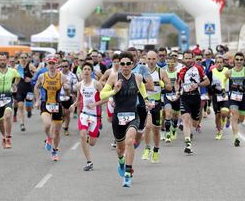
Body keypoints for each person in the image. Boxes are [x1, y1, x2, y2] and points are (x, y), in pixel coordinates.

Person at [100, 51, 150, 188]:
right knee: (120, 149)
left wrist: (146, 101)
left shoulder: (138, 77)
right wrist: (114, 91)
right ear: (119, 64)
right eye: (122, 63)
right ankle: (121, 161)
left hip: (133, 116)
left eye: (128, 64)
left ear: (133, 64)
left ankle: (128, 173)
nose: (125, 66)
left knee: (129, 142)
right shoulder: (113, 77)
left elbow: (143, 90)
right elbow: (102, 94)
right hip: (118, 117)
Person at [70, 62, 106, 171]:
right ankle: (89, 162)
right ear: (82, 71)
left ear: (91, 72)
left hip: (95, 115)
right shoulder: (80, 85)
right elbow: (78, 100)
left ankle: (94, 134)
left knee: (92, 143)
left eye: (88, 69)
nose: (86, 71)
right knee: (82, 135)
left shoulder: (96, 84)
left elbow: (105, 99)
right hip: (84, 114)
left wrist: (94, 104)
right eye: (84, 69)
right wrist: (73, 105)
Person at [34, 55, 69, 161]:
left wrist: (67, 89)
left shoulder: (61, 77)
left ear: (56, 64)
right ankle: (49, 138)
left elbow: (67, 90)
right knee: (47, 125)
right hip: (45, 104)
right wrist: (37, 100)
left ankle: (55, 151)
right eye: (50, 63)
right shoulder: (42, 76)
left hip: (57, 105)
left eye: (54, 63)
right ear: (47, 64)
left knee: (57, 132)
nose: (52, 65)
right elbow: (36, 87)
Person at [177, 51, 210, 154]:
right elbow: (178, 83)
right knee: (186, 120)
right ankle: (188, 144)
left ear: (193, 58)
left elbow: (207, 82)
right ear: (183, 59)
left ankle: (193, 128)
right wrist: (177, 91)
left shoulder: (198, 68)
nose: (188, 60)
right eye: (185, 58)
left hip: (196, 97)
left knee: (195, 123)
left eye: (189, 58)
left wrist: (198, 85)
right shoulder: (180, 70)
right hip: (185, 97)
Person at [142, 51, 171, 163]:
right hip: (145, 102)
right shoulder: (141, 71)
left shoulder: (161, 72)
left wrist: (163, 84)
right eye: (149, 59)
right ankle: (147, 148)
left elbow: (169, 87)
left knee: (156, 130)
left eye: (154, 59)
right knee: (148, 126)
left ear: (157, 59)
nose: (151, 61)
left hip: (157, 103)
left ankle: (156, 150)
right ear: (146, 59)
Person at [223, 52, 245, 146]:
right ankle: (236, 137)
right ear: (234, 60)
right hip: (233, 97)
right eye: (237, 59)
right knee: (234, 115)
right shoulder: (229, 72)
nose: (239, 61)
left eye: (241, 59)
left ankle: (236, 124)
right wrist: (223, 89)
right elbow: (223, 80)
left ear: (243, 60)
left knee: (241, 118)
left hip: (243, 96)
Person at [207, 55, 230, 140]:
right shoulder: (211, 72)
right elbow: (207, 84)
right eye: (217, 62)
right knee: (217, 116)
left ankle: (226, 118)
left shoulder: (227, 71)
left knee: (223, 113)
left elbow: (232, 81)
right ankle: (219, 131)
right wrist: (210, 90)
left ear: (223, 63)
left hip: (225, 95)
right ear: (215, 63)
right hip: (216, 96)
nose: (219, 64)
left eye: (221, 62)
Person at [15, 52, 34, 132]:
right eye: (22, 57)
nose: (23, 59)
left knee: (28, 107)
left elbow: (37, 76)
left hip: (29, 90)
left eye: (25, 57)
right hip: (20, 90)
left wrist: (31, 79)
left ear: (27, 58)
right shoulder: (16, 67)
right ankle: (22, 124)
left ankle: (29, 111)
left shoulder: (30, 66)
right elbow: (13, 77)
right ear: (19, 58)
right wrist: (13, 84)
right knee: (20, 106)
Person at [60, 59, 78, 136]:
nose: (64, 68)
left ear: (69, 66)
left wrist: (69, 89)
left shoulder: (72, 75)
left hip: (68, 97)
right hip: (58, 97)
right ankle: (59, 124)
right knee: (62, 113)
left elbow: (76, 86)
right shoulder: (58, 74)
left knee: (67, 114)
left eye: (66, 66)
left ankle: (66, 128)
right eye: (62, 66)